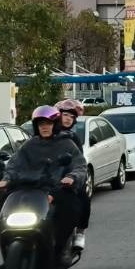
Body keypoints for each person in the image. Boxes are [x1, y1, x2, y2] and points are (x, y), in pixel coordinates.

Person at [0, 105, 85, 258]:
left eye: (48, 123)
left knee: (70, 210)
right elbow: (14, 164)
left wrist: (72, 177)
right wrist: (6, 179)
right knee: (6, 214)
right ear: (36, 126)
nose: (44, 127)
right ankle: (9, 253)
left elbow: (80, 165)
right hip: (30, 189)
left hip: (58, 188)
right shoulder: (29, 145)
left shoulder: (67, 144)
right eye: (41, 124)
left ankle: (59, 250)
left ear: (55, 125)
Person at [54, 98, 92, 249]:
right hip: (46, 179)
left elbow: (79, 161)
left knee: (83, 198)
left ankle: (80, 232)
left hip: (68, 179)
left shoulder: (73, 137)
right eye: (65, 115)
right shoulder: (44, 135)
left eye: (72, 116)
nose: (69, 119)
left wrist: (73, 176)